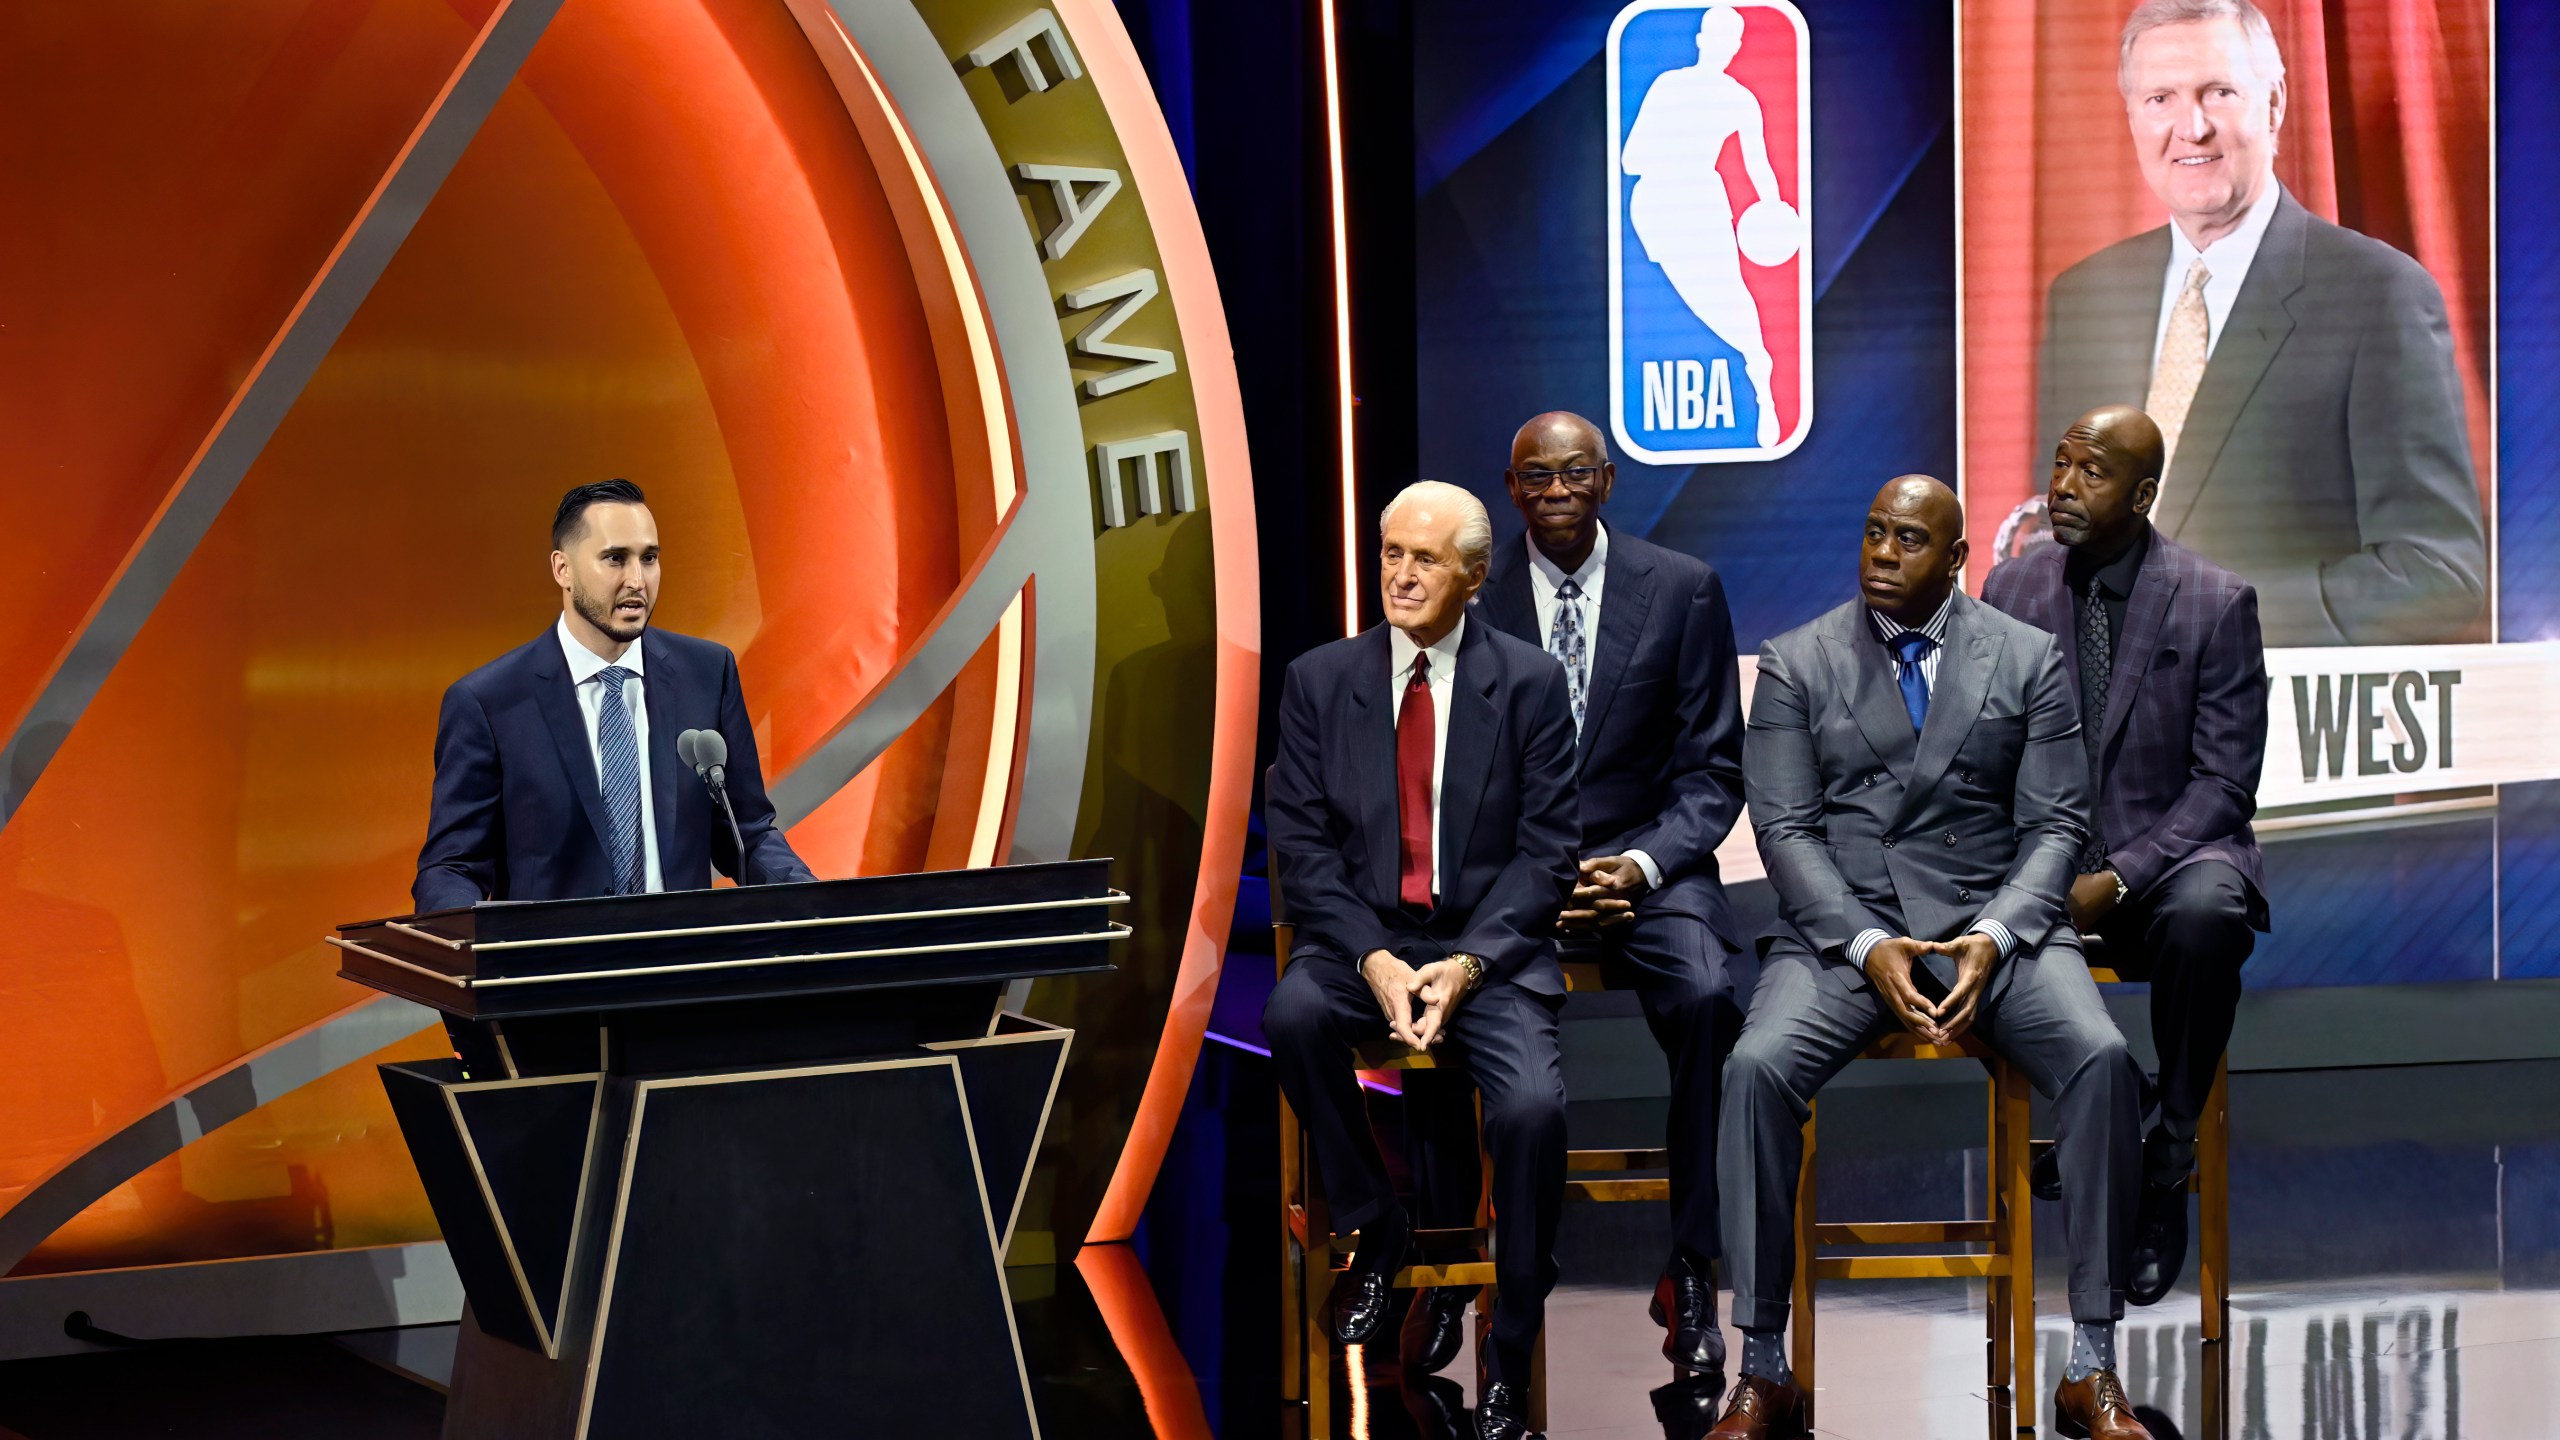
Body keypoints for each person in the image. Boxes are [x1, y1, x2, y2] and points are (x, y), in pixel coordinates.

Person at [1705, 477, 2152, 1440]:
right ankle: (1763, 1362)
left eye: (1908, 540)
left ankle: (2093, 1363)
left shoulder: (2027, 657)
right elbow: (1784, 831)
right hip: (1847, 933)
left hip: (1997, 929)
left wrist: (1996, 935)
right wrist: (1867, 946)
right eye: (1872, 533)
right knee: (1753, 1068)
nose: (1881, 553)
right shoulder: (1797, 660)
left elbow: (2058, 824)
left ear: (1954, 559)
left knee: (2103, 1059)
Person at [1418, 411, 1747, 1379]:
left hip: (1643, 866)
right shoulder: (1467, 598)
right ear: (1508, 491)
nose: (1555, 493)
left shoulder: (1681, 590)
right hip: (1503, 867)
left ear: (1606, 481)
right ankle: (1444, 1261)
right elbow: (1440, 767)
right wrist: (1533, 872)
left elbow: (1709, 774)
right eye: (1533, 478)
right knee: (1432, 998)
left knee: (1707, 996)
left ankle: (1690, 1264)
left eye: (1573, 474)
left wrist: (1639, 867)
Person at [1262, 481, 1578, 1440]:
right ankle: (1377, 1221)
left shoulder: (1526, 683)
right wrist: (1372, 960)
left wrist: (1467, 965)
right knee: (1292, 1016)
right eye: (1392, 552)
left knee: (1529, 1109)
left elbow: (1548, 852)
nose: (1400, 573)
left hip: (1486, 953)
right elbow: (1301, 847)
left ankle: (1510, 1350)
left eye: (1425, 559)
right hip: (1364, 942)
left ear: (1475, 577)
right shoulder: (1320, 680)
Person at [2033, 0, 2484, 647]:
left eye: (2218, 92)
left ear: (2274, 105)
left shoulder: (2379, 296)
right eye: (2159, 98)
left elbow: (2439, 573)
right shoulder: (2081, 300)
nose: (2190, 128)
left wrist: (2206, 621)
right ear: (2132, 116)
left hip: (2275, 720)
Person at [1985, 404, 2268, 1309]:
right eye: (2059, 465)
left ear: (2143, 494)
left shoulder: (2216, 599)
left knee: (2209, 915)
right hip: (2049, 859)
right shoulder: (2010, 592)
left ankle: (2169, 1145)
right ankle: (2106, 1115)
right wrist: (2040, 867)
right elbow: (1985, 753)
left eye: (2091, 473)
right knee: (1970, 923)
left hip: (2167, 860)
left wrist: (2123, 875)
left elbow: (2224, 785)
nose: (2063, 487)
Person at [414, 480, 814, 1071]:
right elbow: (450, 868)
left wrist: (813, 904)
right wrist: (480, 958)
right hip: (554, 1013)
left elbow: (746, 831)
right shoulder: (489, 702)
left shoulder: (708, 673)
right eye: (615, 559)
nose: (637, 580)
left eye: (649, 558)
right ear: (563, 569)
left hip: (690, 998)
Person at [1624, 6, 1788, 447]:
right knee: (1702, 301)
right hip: (1659, 207)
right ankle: (1757, 367)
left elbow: (1761, 168)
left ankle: (1762, 383)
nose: (1721, 47)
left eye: (1729, 40)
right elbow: (1629, 160)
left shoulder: (1740, 99)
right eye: (1716, 37)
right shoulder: (1668, 85)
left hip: (1700, 204)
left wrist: (1773, 210)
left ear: (1735, 48)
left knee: (1731, 296)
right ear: (1701, 40)